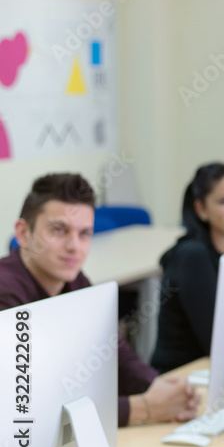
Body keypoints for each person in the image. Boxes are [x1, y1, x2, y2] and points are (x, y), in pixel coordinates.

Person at [0, 173, 197, 427]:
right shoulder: (6, 294)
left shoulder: (74, 281)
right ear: (23, 233)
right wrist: (144, 408)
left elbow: (112, 350)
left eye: (85, 233)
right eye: (59, 230)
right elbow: (30, 406)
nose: (74, 246)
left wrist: (160, 388)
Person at [151, 163, 224, 373]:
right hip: (182, 375)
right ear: (201, 209)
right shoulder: (192, 255)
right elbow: (217, 340)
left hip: (213, 369)